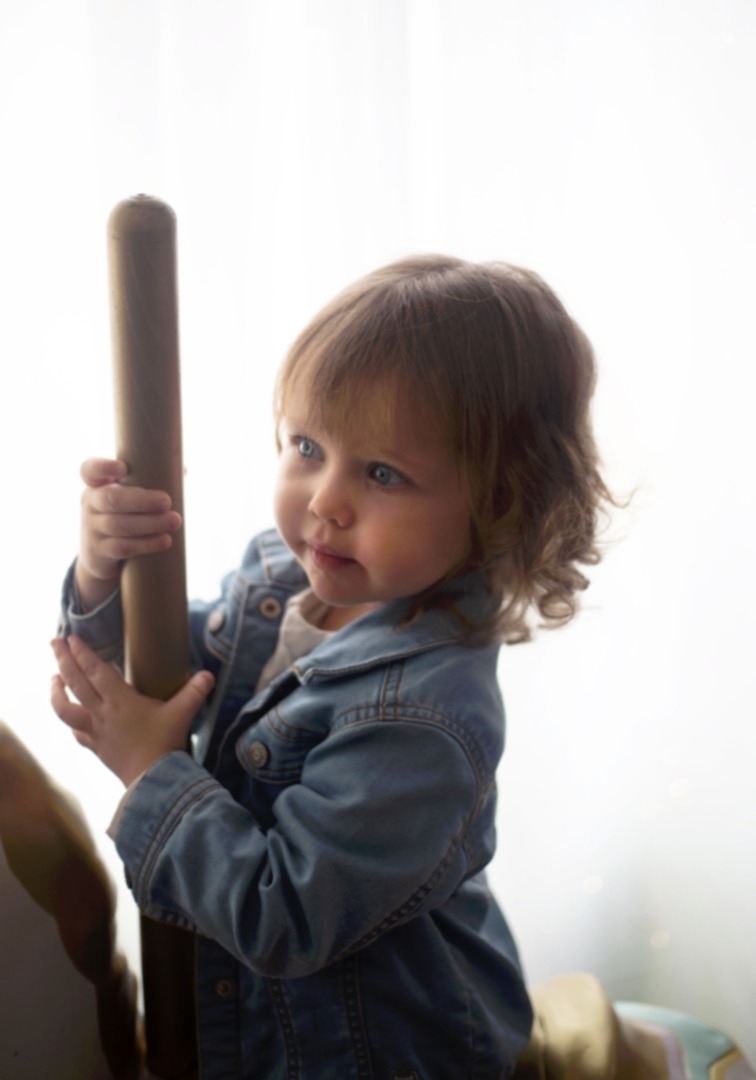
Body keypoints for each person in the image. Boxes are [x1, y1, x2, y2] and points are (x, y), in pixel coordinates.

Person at [51, 254, 612, 1079]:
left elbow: (285, 917)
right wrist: (104, 572)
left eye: (382, 473)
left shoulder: (424, 718)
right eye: (308, 446)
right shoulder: (282, 583)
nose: (324, 501)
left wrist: (151, 774)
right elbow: (157, 678)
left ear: (499, 504)